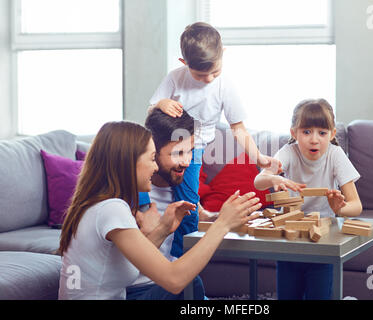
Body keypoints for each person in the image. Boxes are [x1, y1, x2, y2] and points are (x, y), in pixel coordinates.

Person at [58, 121, 261, 300]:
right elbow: (175, 280)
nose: (155, 168)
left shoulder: (98, 204)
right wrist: (222, 224)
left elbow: (126, 264)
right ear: (129, 162)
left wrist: (163, 229)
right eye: (152, 158)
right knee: (190, 284)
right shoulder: (112, 209)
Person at [144, 22, 282, 258]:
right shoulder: (175, 78)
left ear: (223, 54)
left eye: (214, 72)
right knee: (153, 195)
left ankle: (180, 256)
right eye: (200, 74)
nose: (208, 79)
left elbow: (238, 128)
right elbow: (150, 112)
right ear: (184, 63)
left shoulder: (225, 85)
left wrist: (258, 157)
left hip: (193, 149)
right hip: (162, 146)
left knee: (186, 202)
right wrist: (159, 104)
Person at [254, 98, 363, 300]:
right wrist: (273, 177)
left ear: (332, 135)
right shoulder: (288, 152)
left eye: (322, 133)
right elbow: (258, 182)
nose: (314, 139)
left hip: (324, 238)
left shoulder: (335, 154)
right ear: (294, 133)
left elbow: (356, 206)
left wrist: (339, 209)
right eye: (306, 132)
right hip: (291, 235)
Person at [127, 109, 207, 300]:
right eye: (178, 153)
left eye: (190, 152)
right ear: (153, 150)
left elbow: (196, 213)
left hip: (164, 282)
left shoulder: (179, 186)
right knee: (191, 283)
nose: (186, 161)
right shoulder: (128, 191)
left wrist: (221, 217)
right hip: (135, 289)